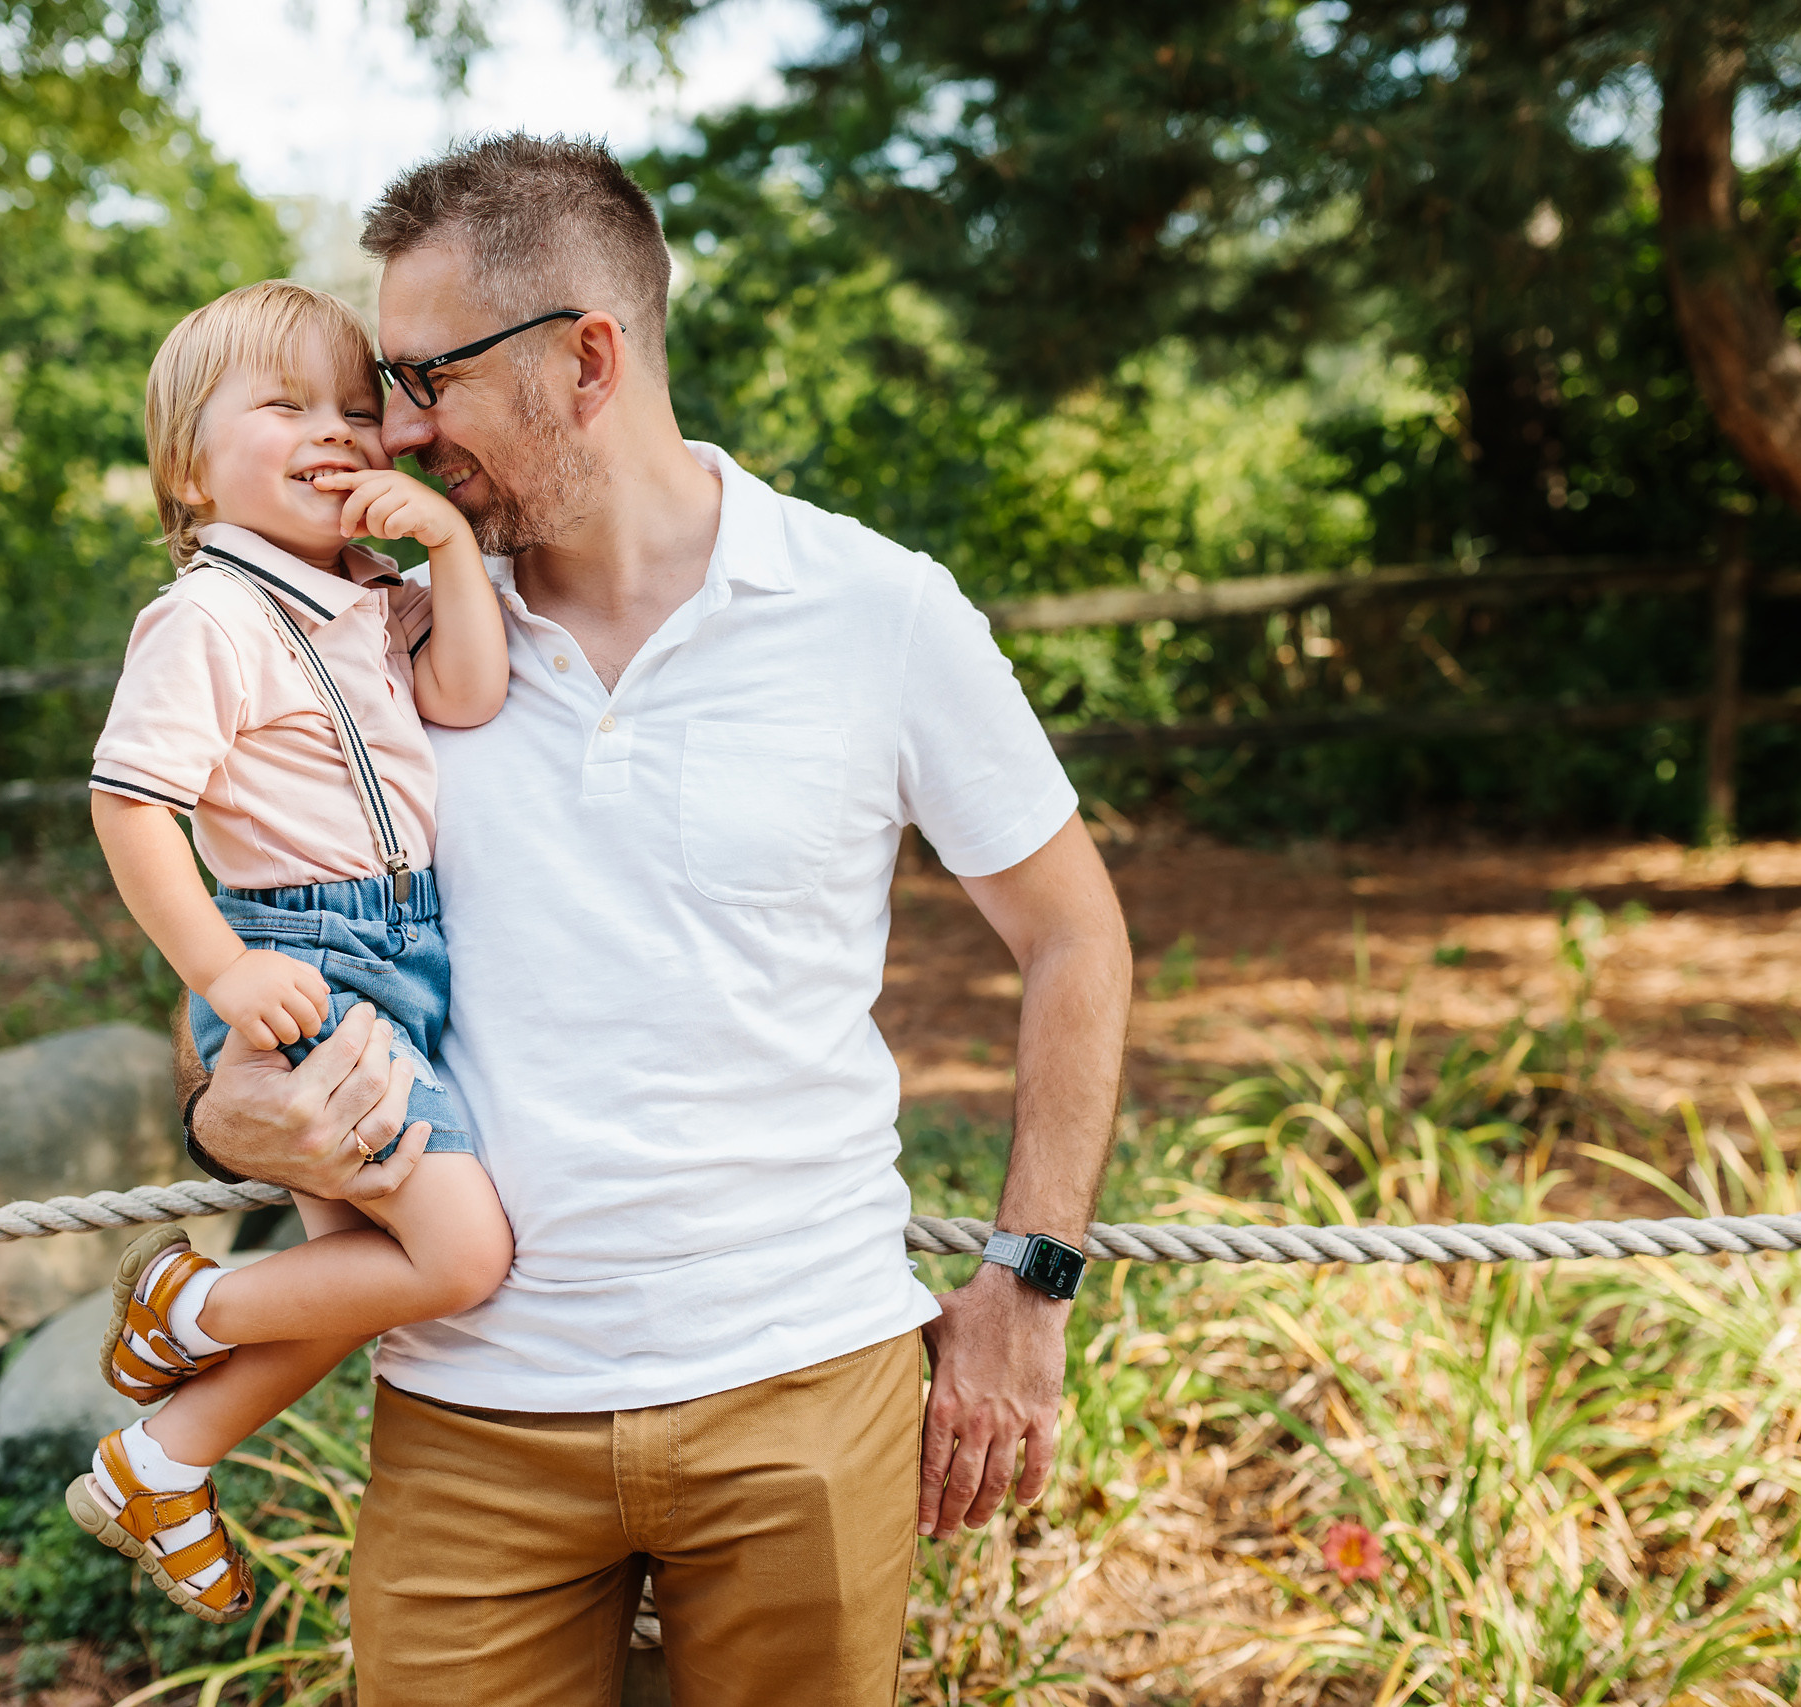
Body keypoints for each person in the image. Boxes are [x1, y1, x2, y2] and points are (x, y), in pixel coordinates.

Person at [178, 135, 1133, 1703]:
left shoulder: (879, 610)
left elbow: (1075, 939)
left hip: (804, 1397)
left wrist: (1028, 1285)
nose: (391, 432)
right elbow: (254, 934)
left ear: (586, 358)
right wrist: (228, 1110)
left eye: (422, 379)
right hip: (470, 1412)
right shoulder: (372, 629)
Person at [65, 279, 515, 1624]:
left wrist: (439, 542)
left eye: (353, 407)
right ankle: (188, 1307)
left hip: (400, 956)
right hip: (303, 959)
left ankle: (161, 1458)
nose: (336, 433)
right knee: (456, 1258)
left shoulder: (368, 597)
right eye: (284, 407)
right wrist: (221, 974)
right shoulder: (208, 617)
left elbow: (471, 691)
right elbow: (129, 802)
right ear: (188, 469)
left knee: (357, 1287)